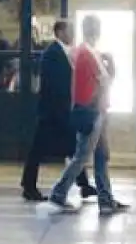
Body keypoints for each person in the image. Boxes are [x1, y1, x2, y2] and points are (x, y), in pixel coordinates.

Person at [38, 15, 130, 216]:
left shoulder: (87, 52)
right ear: (95, 29)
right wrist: (111, 66)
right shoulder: (87, 53)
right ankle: (58, 193)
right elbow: (104, 80)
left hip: (96, 109)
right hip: (92, 110)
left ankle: (105, 199)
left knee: (100, 157)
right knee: (82, 156)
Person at [20, 21, 97, 202]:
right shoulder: (52, 54)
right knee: (39, 150)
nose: (72, 34)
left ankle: (84, 185)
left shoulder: (66, 52)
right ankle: (28, 186)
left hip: (61, 111)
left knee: (72, 148)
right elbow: (53, 84)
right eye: (69, 30)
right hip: (52, 112)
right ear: (60, 32)